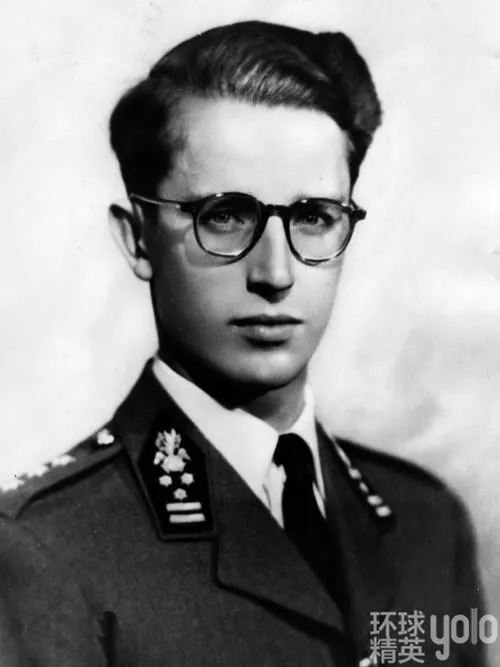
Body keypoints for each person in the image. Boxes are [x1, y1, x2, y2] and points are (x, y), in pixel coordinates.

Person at [0, 20, 486, 667]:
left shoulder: (425, 520)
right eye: (224, 216)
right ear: (138, 239)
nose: (275, 273)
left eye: (314, 217)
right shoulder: (42, 546)